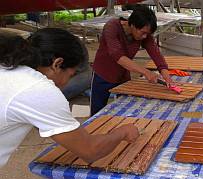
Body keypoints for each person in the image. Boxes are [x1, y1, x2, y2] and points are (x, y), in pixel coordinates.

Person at [0, 28, 139, 168]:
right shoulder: (37, 89)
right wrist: (122, 132)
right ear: (57, 64)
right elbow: (90, 151)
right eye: (70, 75)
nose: (67, 82)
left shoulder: (8, 68)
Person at [91, 6, 173, 116]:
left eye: (147, 34)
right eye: (142, 32)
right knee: (97, 112)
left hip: (123, 76)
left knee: (124, 110)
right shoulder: (112, 27)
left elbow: (156, 54)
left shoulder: (145, 34)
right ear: (132, 24)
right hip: (102, 76)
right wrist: (146, 72)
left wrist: (166, 75)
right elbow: (118, 57)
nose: (145, 36)